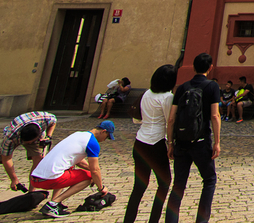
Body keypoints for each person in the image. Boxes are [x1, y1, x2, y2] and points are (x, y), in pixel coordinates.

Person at [165, 53, 221, 223]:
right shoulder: (212, 86)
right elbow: (215, 116)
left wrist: (170, 143)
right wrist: (217, 142)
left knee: (178, 184)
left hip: (181, 142)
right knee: (209, 179)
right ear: (210, 68)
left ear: (194, 67)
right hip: (201, 141)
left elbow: (172, 118)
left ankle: (170, 220)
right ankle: (201, 220)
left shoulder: (182, 87)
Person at [124, 65, 177, 223]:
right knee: (164, 183)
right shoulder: (168, 97)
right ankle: (153, 220)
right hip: (156, 143)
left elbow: (137, 118)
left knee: (139, 187)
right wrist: (170, 144)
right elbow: (170, 121)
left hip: (140, 141)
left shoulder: (146, 93)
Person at [32, 121, 115, 218]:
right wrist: (101, 188)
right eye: (107, 137)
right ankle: (53, 204)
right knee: (88, 177)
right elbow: (95, 170)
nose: (105, 140)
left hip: (35, 178)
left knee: (70, 166)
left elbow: (79, 161)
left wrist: (92, 172)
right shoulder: (93, 143)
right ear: (103, 132)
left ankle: (55, 202)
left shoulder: (78, 134)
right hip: (48, 179)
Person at [0, 111, 57, 190]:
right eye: (27, 142)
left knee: (39, 160)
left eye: (30, 142)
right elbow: (6, 159)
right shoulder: (10, 137)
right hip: (14, 136)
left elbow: (53, 122)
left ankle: (31, 192)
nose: (29, 144)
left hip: (37, 136)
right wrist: (14, 179)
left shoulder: (46, 119)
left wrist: (49, 136)